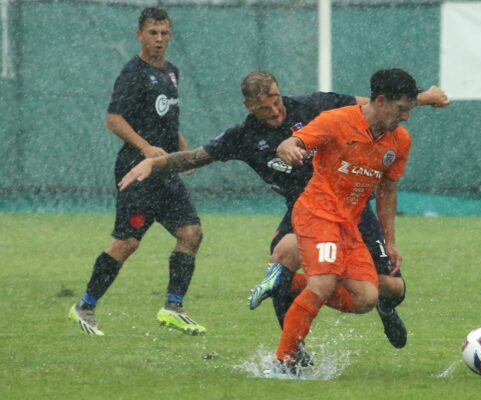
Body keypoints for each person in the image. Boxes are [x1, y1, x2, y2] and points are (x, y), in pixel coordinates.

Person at [118, 71, 448, 349]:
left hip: (353, 209)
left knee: (393, 289)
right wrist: (154, 162)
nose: (275, 110)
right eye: (264, 106)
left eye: (276, 100)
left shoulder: (314, 106)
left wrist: (426, 97)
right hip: (306, 210)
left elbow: (375, 103)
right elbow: (195, 157)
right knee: (282, 261)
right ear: (248, 106)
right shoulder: (244, 136)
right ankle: (293, 352)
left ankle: (381, 307)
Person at [268, 67, 419, 376]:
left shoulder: (400, 141)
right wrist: (290, 149)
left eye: (409, 110)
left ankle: (287, 284)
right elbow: (291, 143)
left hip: (348, 226)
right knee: (323, 283)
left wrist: (390, 241)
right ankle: (284, 362)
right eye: (401, 109)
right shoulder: (336, 120)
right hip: (316, 213)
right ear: (380, 100)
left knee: (368, 297)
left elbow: (388, 189)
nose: (405, 117)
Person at [68, 7, 206, 336]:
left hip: (165, 171)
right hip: (136, 171)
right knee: (127, 243)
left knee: (191, 233)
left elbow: (169, 119)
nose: (159, 39)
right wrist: (146, 149)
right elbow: (114, 119)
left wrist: (183, 154)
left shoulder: (171, 72)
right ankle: (85, 307)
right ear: (139, 35)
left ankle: (173, 307)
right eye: (152, 33)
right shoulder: (133, 73)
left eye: (164, 33)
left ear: (170, 35)